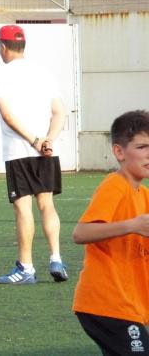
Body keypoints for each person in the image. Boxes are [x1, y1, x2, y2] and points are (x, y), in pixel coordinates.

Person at [0, 25, 68, 284]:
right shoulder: (44, 73)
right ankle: (56, 257)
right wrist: (48, 140)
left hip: (19, 151)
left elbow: (9, 117)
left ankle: (26, 268)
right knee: (47, 204)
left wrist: (34, 141)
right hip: (46, 151)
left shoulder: (0, 74)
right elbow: (59, 113)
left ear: (3, 47)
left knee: (23, 208)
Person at [72, 110, 149, 354]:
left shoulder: (144, 195)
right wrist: (132, 225)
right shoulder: (115, 186)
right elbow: (80, 233)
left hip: (128, 306)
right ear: (119, 152)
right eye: (142, 147)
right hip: (107, 304)